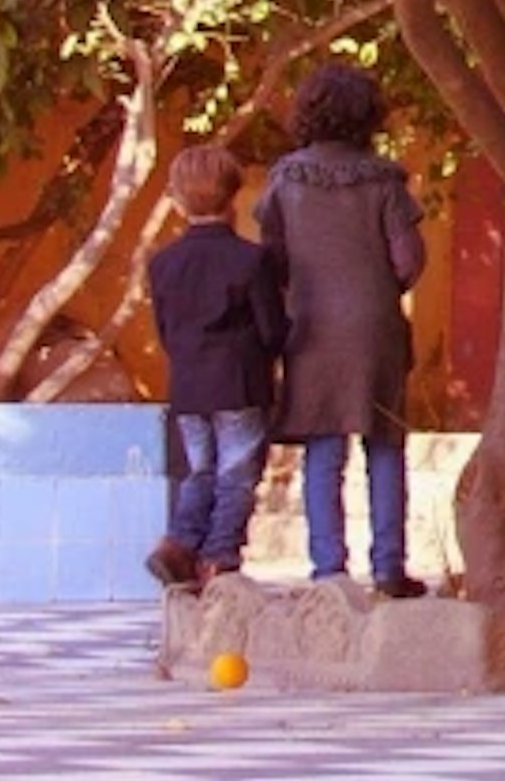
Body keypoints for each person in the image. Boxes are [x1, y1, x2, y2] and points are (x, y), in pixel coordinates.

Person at [258, 63, 430, 598]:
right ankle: (388, 567)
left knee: (323, 446)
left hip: (310, 326)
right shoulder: (385, 180)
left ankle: (329, 569)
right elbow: (408, 260)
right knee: (384, 444)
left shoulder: (286, 180)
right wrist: (376, 288)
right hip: (376, 327)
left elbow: (272, 259)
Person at [144, 144, 286, 589]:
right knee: (237, 476)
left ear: (178, 200)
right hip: (239, 384)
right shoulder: (251, 259)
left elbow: (166, 331)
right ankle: (221, 557)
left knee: (200, 470)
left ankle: (178, 544)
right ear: (232, 196)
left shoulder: (163, 263)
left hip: (188, 386)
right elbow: (272, 331)